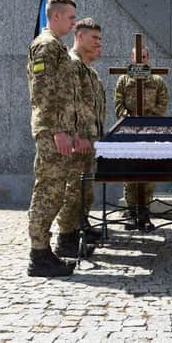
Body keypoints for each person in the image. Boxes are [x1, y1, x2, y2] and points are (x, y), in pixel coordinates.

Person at [26, 0, 85, 277]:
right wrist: (58, 131)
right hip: (52, 132)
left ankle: (43, 252)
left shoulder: (57, 47)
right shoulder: (47, 46)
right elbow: (43, 92)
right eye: (72, 18)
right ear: (57, 16)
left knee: (55, 191)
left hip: (59, 131)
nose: (74, 23)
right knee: (48, 191)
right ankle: (38, 255)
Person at [56, 18, 106, 251]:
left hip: (90, 139)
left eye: (99, 38)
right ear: (79, 36)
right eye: (94, 38)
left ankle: (80, 228)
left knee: (84, 190)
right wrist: (77, 135)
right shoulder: (72, 64)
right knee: (73, 191)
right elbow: (69, 103)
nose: (98, 42)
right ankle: (66, 240)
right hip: (79, 140)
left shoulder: (88, 70)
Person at [114, 45, 168, 230]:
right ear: (131, 57)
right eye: (137, 57)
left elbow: (163, 104)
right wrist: (129, 117)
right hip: (130, 132)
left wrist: (148, 117)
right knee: (130, 174)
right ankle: (131, 214)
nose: (141, 61)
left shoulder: (157, 80)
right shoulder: (123, 79)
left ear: (148, 57)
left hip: (150, 132)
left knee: (148, 173)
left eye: (143, 57)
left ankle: (145, 214)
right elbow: (118, 104)